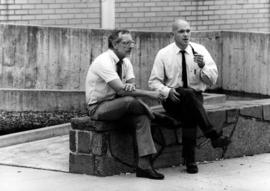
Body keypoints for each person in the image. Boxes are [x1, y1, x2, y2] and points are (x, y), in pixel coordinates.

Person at [148, 19, 231, 174]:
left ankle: (190, 160)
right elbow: (153, 82)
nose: (186, 34)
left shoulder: (200, 51)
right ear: (173, 34)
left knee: (190, 109)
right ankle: (212, 136)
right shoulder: (164, 54)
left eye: (188, 31)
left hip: (194, 98)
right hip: (172, 99)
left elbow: (212, 80)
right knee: (187, 95)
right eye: (181, 31)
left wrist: (202, 67)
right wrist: (167, 91)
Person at [85, 29, 164, 180]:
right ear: (115, 44)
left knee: (142, 118)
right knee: (129, 101)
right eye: (126, 43)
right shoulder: (104, 61)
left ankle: (144, 166)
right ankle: (156, 116)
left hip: (120, 107)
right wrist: (151, 94)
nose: (131, 46)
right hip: (99, 108)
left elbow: (130, 87)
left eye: (132, 42)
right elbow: (122, 91)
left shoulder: (126, 62)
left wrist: (128, 88)